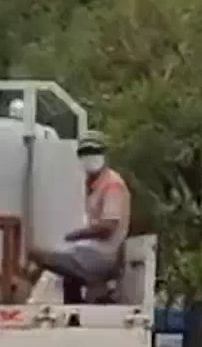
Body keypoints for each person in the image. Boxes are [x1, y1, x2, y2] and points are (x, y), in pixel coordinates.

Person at [27, 130, 130, 304]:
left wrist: (76, 235)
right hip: (92, 251)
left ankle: (95, 285)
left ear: (104, 155)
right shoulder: (94, 184)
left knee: (36, 253)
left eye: (94, 152)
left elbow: (107, 227)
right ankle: (80, 302)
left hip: (102, 256)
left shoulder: (112, 185)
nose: (89, 157)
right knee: (62, 265)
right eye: (84, 153)